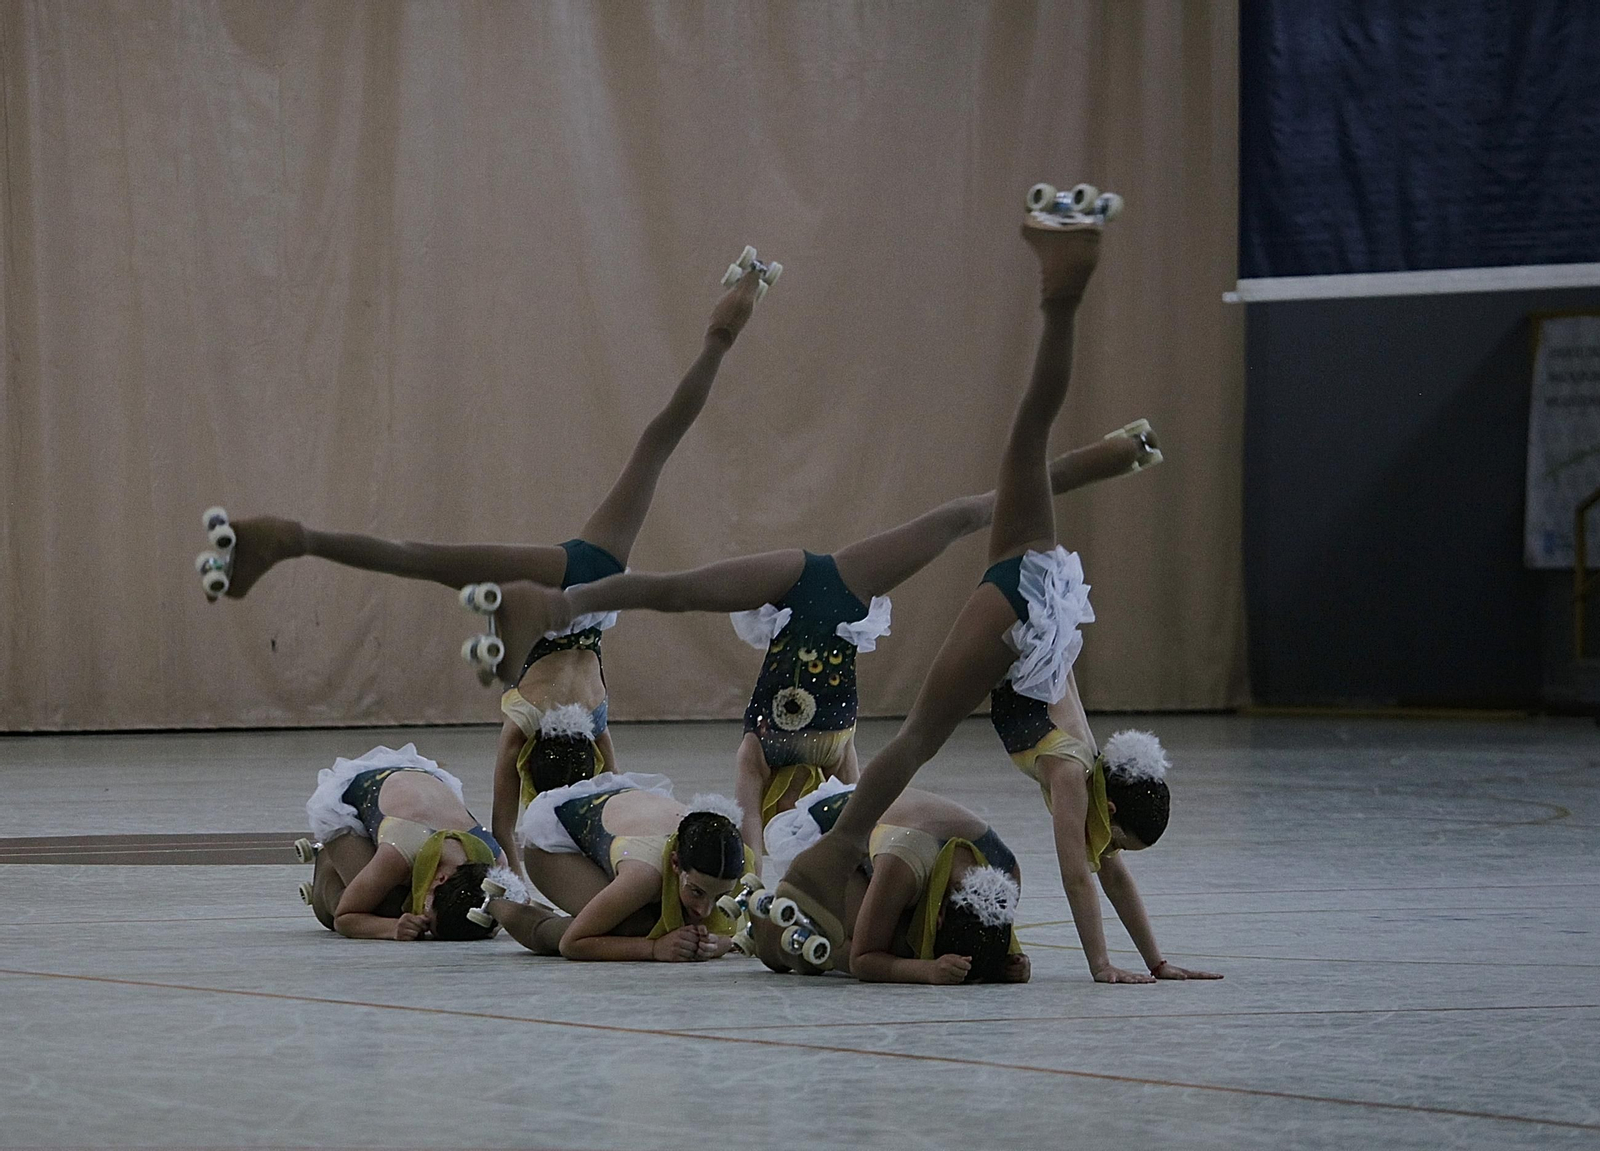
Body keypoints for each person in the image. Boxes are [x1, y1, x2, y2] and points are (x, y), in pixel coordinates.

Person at [771, 188, 1221, 984]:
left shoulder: (1091, 770)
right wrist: (1103, 967)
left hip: (1042, 584)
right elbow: (1083, 875)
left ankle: (1062, 289)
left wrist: (1156, 959)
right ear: (1112, 806)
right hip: (1022, 624)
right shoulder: (1074, 778)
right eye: (1120, 834)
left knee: (1028, 431)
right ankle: (833, 853)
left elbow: (1108, 868)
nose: (1113, 848)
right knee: (913, 738)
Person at [197, 265, 771, 861]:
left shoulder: (534, 724)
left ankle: (300, 541)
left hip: (584, 587)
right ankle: (723, 330)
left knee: (649, 450)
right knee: (428, 556)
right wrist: (526, 869)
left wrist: (515, 874)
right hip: (585, 589)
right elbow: (590, 793)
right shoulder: (560, 727)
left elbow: (520, 815)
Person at [514, 426, 1161, 853]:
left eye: (791, 808)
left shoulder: (758, 755)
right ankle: (573, 600)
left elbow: (750, 827)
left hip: (807, 582)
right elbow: (857, 805)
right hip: (844, 591)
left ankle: (573, 599)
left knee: (972, 512)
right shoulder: (834, 755)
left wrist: (755, 877)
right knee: (966, 514)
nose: (800, 804)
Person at [300, 742, 566, 952]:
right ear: (440, 879)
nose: (425, 925)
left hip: (418, 791)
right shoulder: (399, 852)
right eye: (430, 917)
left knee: (402, 904)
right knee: (385, 908)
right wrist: (392, 928)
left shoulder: (495, 865)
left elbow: (520, 904)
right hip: (353, 800)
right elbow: (346, 917)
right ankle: (326, 862)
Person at [761, 780, 1029, 984]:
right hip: (826, 832)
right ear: (939, 916)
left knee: (905, 939)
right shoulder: (905, 861)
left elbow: (991, 929)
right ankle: (771, 930)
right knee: (896, 947)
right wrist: (925, 970)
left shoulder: (1006, 873)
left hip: (887, 826)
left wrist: (1004, 960)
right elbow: (863, 959)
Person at [515, 773, 756, 962]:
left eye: (721, 896)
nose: (705, 910)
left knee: (675, 924)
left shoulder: (736, 860)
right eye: (696, 891)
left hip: (622, 814)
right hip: (556, 842)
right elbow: (573, 943)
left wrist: (720, 943)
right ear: (675, 863)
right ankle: (503, 901)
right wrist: (653, 948)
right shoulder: (645, 874)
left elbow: (746, 933)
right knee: (633, 928)